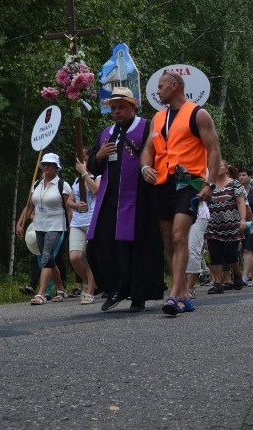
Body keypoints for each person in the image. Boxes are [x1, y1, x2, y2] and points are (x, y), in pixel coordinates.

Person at [141, 71, 221, 315]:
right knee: (168, 240)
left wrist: (210, 184)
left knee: (178, 237)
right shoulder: (156, 118)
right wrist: (145, 167)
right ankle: (183, 294)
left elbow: (214, 150)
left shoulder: (198, 114)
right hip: (161, 184)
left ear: (174, 86)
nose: (157, 91)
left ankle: (174, 295)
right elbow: (147, 150)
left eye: (161, 86)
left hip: (188, 184)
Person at [87, 87, 165, 312]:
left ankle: (138, 295)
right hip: (111, 199)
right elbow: (92, 164)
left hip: (140, 199)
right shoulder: (105, 133)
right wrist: (99, 156)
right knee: (101, 242)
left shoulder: (147, 127)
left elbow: (161, 153)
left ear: (133, 106)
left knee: (137, 247)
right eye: (113, 108)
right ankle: (116, 288)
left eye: (121, 107)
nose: (117, 112)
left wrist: (150, 168)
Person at [16, 153, 72, 305]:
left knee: (46, 258)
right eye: (44, 164)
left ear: (56, 167)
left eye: (50, 164)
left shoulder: (63, 185)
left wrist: (70, 227)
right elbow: (30, 206)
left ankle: (41, 294)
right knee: (49, 259)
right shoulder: (37, 184)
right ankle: (61, 289)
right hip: (39, 226)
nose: (46, 166)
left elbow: (69, 208)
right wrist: (20, 223)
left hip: (56, 226)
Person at [203, 160, 247, 294]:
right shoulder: (208, 185)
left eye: (220, 165)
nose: (217, 168)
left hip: (232, 226)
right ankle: (217, 283)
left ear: (227, 167)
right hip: (212, 226)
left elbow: (240, 203)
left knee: (230, 254)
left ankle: (237, 274)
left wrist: (243, 220)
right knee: (215, 255)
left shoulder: (235, 183)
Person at [67, 149, 100, 304]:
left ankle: (91, 290)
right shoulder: (76, 180)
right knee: (75, 257)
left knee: (91, 257)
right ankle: (90, 283)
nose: (81, 160)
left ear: (90, 158)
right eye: (78, 157)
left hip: (92, 220)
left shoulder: (98, 175)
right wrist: (76, 205)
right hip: (77, 223)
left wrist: (84, 173)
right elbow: (69, 201)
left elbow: (96, 190)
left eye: (84, 156)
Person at [238, 167, 253, 286]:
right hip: (242, 223)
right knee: (246, 250)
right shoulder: (238, 190)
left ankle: (244, 276)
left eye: (243, 175)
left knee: (248, 249)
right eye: (240, 175)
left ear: (250, 177)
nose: (241, 177)